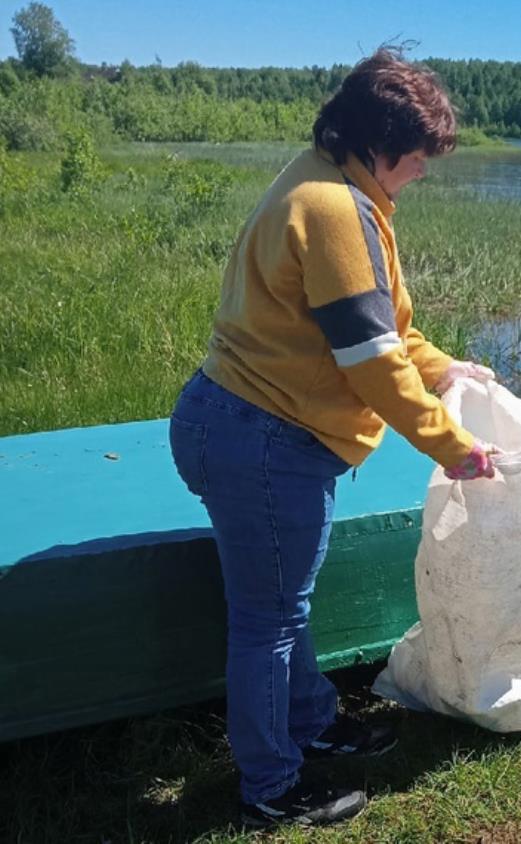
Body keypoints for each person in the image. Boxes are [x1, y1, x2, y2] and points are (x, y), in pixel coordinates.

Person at [169, 48, 496, 828]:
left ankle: (311, 723)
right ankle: (272, 785)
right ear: (380, 144)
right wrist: (449, 444)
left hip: (240, 423)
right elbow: (372, 360)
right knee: (268, 621)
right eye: (417, 160)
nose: (420, 174)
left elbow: (389, 328)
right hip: (265, 438)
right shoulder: (335, 210)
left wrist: (447, 367)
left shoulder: (330, 179)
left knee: (284, 602)